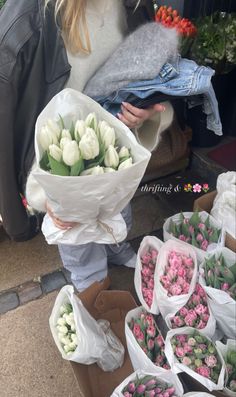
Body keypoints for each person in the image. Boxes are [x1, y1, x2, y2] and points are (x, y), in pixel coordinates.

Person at [0, 0, 165, 290]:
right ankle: (92, 286)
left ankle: (115, 248)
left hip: (114, 148)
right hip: (63, 161)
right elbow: (9, 115)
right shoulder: (33, 14)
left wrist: (146, 109)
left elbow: (144, 67)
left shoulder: (132, 4)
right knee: (81, 247)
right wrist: (39, 192)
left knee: (117, 211)